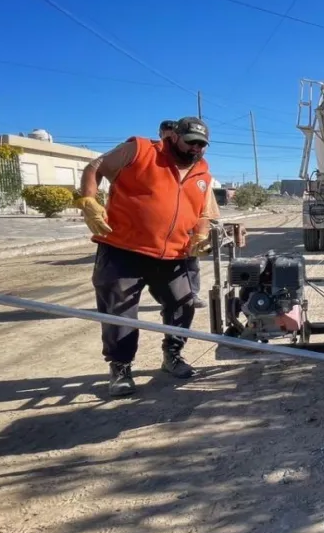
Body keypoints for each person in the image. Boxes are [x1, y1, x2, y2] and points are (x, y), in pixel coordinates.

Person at [75, 117, 219, 397]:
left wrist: (200, 236)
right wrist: (88, 201)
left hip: (173, 254)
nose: (195, 149)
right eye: (190, 142)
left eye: (201, 145)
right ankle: (120, 367)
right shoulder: (139, 150)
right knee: (120, 312)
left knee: (183, 304)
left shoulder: (202, 171)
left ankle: (172, 355)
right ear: (174, 137)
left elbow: (205, 212)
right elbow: (96, 167)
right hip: (123, 250)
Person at [159, 120, 207, 309]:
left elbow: (203, 203)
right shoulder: (155, 158)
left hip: (185, 228)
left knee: (190, 262)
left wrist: (200, 232)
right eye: (166, 133)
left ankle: (192, 294)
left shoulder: (194, 164)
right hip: (158, 234)